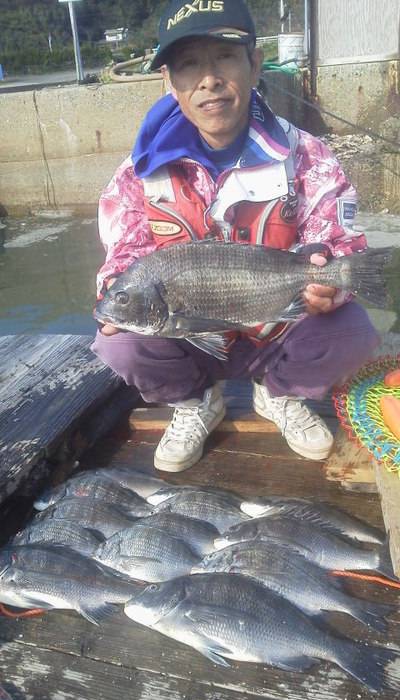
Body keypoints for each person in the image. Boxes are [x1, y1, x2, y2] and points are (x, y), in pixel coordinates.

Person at [91, 0, 379, 473]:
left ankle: (279, 394)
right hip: (189, 338)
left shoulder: (306, 154)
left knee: (353, 329)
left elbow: (338, 236)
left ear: (254, 64)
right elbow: (123, 257)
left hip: (278, 329)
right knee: (119, 340)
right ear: (170, 82)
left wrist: (330, 269)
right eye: (188, 64)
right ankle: (196, 401)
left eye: (224, 56)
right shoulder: (137, 174)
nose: (208, 79)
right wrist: (111, 297)